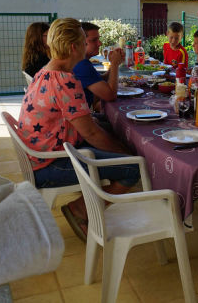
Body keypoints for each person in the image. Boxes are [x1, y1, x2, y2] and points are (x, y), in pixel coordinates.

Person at [18, 18, 138, 242]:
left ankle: (91, 203)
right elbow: (90, 134)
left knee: (109, 135)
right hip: (48, 164)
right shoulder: (65, 81)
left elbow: (87, 127)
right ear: (74, 47)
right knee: (133, 167)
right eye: (85, 42)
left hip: (39, 154)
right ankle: (80, 209)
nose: (88, 46)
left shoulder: (45, 72)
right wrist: (126, 153)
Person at [72, 22, 124, 109]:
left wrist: (115, 63)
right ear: (80, 42)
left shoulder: (82, 61)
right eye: (93, 40)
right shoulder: (81, 65)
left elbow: (99, 80)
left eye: (98, 39)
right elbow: (110, 96)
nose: (99, 43)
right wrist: (114, 64)